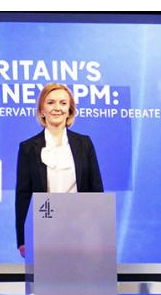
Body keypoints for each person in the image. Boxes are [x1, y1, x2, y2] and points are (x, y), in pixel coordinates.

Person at [15, 82, 104, 257]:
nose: (57, 108)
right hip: (45, 227)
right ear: (42, 110)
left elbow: (96, 189)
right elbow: (23, 196)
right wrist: (22, 239)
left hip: (82, 228)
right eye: (51, 103)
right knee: (49, 274)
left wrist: (100, 232)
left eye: (63, 103)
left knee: (81, 273)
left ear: (69, 110)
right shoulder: (28, 148)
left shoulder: (84, 143)